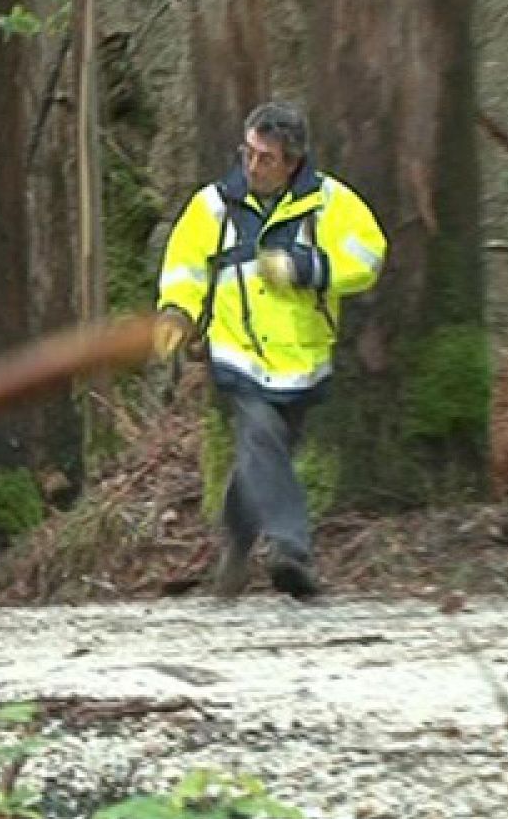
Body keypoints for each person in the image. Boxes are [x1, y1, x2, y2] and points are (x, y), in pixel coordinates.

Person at [153, 101, 387, 599]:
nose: (253, 165)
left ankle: (236, 548)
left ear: (293, 162)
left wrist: (309, 268)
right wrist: (177, 312)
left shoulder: (331, 202)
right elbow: (184, 266)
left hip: (304, 358)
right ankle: (290, 550)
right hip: (235, 350)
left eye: (266, 158)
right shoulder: (213, 206)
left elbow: (368, 255)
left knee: (263, 455)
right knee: (261, 435)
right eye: (249, 153)